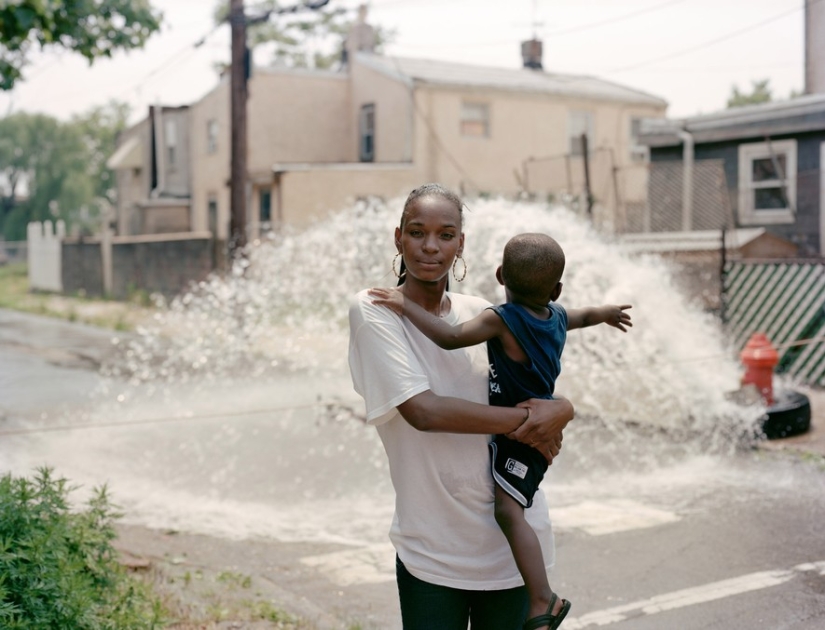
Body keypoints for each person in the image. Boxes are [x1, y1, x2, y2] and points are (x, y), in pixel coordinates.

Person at [369, 232, 632, 630]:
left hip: (523, 438)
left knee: (509, 511)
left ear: (499, 275)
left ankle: (544, 599)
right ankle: (541, 593)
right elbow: (582, 316)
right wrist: (607, 312)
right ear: (557, 289)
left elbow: (449, 337)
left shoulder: (501, 320)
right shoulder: (557, 315)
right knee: (514, 507)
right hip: (538, 428)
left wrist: (404, 305)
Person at [348, 184, 575, 630]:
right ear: (398, 238)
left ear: (461, 243)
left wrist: (563, 408)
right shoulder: (376, 309)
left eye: (446, 235)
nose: (430, 246)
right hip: (434, 551)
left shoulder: (485, 314)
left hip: (512, 548)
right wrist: (534, 420)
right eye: (417, 232)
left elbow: (540, 386)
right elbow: (424, 412)